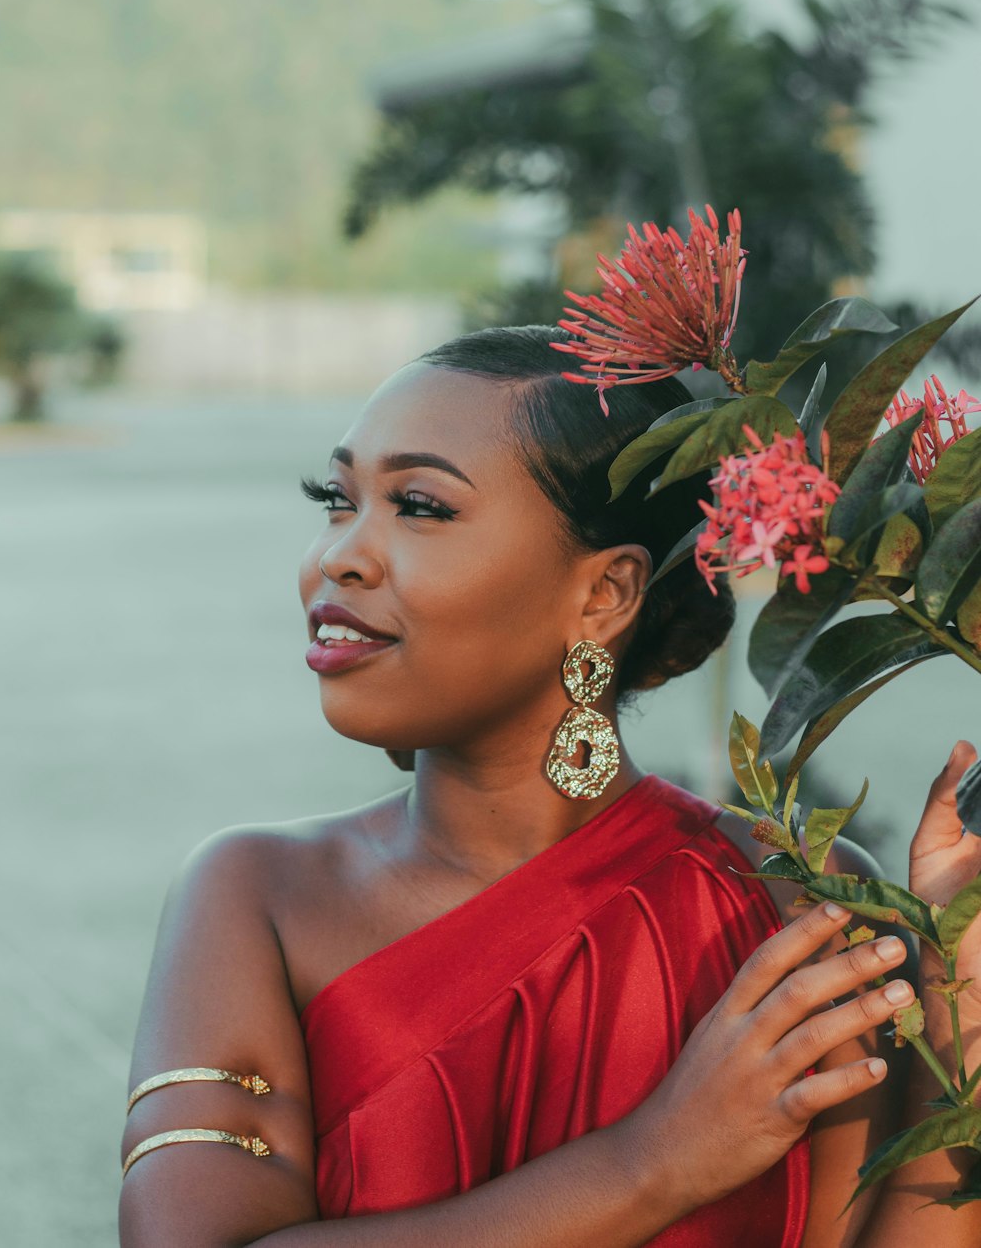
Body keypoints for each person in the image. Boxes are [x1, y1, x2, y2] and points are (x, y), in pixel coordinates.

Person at [120, 326, 981, 1248]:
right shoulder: (259, 896)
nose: (340, 556)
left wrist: (956, 989)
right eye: (337, 498)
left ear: (606, 593)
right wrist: (656, 1162)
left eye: (418, 505)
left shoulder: (792, 905)